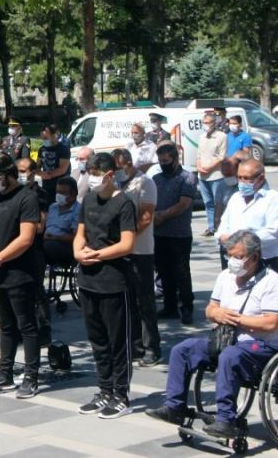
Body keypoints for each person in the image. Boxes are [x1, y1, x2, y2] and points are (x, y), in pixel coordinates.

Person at [146, 230, 278, 439]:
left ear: (253, 257)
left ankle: (226, 420)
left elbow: (271, 323)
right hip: (225, 339)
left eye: (237, 256)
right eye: (229, 255)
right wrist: (217, 313)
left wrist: (236, 319)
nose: (232, 261)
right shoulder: (226, 276)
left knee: (230, 356)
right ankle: (174, 407)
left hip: (259, 346)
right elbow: (211, 309)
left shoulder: (271, 282)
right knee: (183, 349)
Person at [73, 152, 136, 419]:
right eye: (89, 174)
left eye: (96, 175)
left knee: (117, 341)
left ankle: (121, 394)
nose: (92, 179)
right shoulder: (87, 199)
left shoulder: (124, 203)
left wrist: (96, 255)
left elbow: (126, 244)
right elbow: (80, 233)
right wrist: (79, 253)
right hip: (88, 280)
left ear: (110, 175)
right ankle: (104, 390)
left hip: (114, 279)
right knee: (97, 339)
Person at [0, 152, 41, 399]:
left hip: (20, 272)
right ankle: (5, 374)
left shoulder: (27, 197)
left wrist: (1, 256)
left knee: (26, 325)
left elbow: (26, 237)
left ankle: (31, 377)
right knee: (6, 325)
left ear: (9, 173)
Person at [113, 148, 161, 367]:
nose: (117, 172)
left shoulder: (145, 183)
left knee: (144, 301)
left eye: (120, 167)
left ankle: (152, 347)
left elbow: (146, 217)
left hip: (140, 249)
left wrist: (127, 237)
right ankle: (134, 345)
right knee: (126, 301)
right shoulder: (113, 183)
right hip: (118, 250)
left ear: (130, 163)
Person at [153, 142, 197, 324]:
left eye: (166, 160)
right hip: (160, 233)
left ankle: (186, 308)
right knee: (164, 272)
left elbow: (184, 204)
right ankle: (170, 307)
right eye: (160, 161)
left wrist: (163, 215)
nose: (163, 164)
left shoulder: (187, 178)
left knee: (181, 273)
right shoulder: (156, 179)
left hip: (179, 234)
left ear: (175, 159)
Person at [216, 159, 278, 270]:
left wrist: (243, 243)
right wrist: (222, 236)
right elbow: (224, 223)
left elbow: (273, 232)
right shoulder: (236, 198)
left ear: (261, 178)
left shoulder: (272, 199)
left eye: (246, 178)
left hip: (263, 261)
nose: (241, 182)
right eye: (239, 177)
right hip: (234, 259)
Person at [16, 157, 52, 346]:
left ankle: (44, 330)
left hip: (34, 248)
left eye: (25, 170)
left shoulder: (40, 194)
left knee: (37, 290)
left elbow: (40, 226)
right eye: (19, 170)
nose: (22, 174)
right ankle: (24, 329)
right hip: (16, 248)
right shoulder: (14, 193)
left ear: (33, 171)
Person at [197, 111, 228, 237]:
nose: (206, 125)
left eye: (208, 123)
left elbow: (222, 157)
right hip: (202, 175)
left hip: (216, 175)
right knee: (208, 202)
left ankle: (219, 226)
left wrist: (209, 167)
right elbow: (198, 154)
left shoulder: (221, 136)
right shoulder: (202, 136)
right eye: (204, 123)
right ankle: (211, 227)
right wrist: (199, 167)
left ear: (214, 123)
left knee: (218, 202)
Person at [218, 114, 253, 217]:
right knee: (223, 199)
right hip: (226, 170)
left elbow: (246, 154)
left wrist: (235, 159)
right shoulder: (226, 136)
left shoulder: (245, 136)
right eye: (230, 123)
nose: (232, 125)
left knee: (237, 197)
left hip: (237, 171)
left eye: (234, 123)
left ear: (240, 124)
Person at [43, 177, 80, 267]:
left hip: (65, 246)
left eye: (62, 193)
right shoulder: (53, 207)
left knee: (48, 246)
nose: (58, 195)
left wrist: (56, 237)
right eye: (57, 192)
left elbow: (77, 237)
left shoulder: (79, 210)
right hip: (46, 241)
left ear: (73, 194)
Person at [38, 124, 71, 203]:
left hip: (60, 185)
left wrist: (49, 175)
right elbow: (37, 165)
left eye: (46, 138)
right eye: (42, 138)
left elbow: (63, 169)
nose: (44, 140)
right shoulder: (42, 149)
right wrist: (39, 172)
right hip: (46, 185)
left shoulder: (63, 149)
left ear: (54, 135)